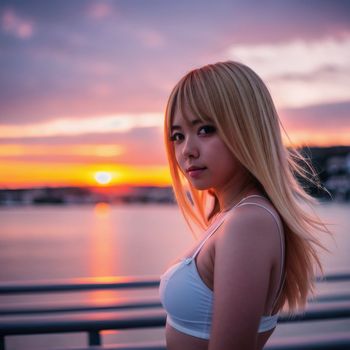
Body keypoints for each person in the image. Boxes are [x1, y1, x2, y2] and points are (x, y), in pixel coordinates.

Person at [159, 61, 329, 350]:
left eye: (206, 129)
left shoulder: (248, 222)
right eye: (178, 135)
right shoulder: (232, 216)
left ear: (247, 129)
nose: (187, 150)